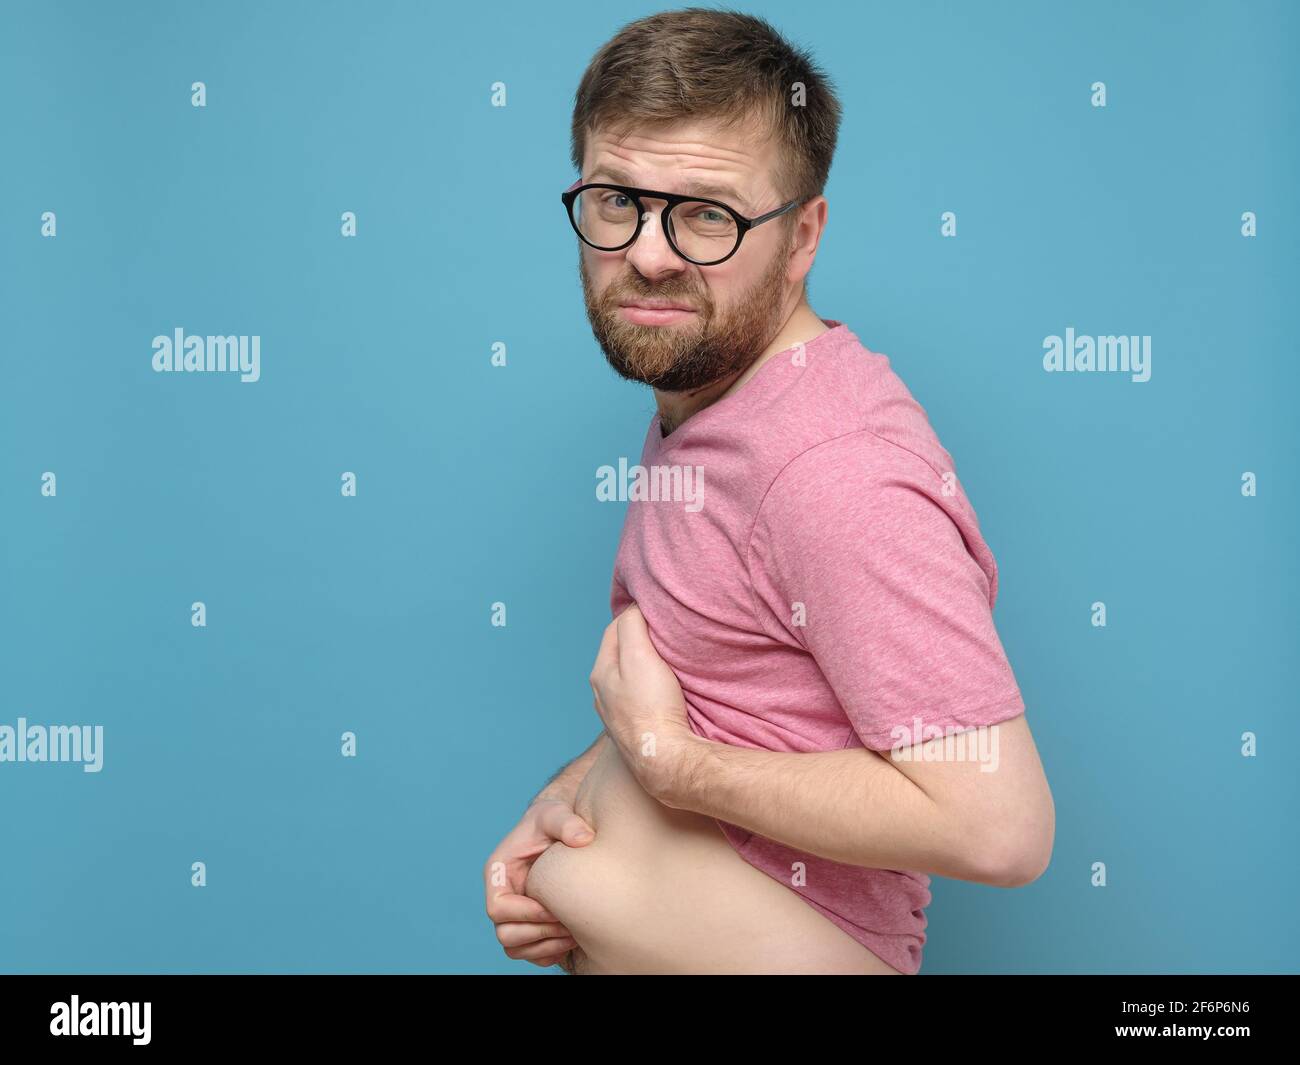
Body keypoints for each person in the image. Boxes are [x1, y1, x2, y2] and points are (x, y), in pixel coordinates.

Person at [483, 7, 1054, 975]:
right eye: (617, 200)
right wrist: (572, 801)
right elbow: (730, 685)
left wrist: (673, 768)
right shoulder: (713, 390)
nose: (652, 253)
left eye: (708, 213)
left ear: (803, 237)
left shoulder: (833, 470)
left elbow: (999, 826)